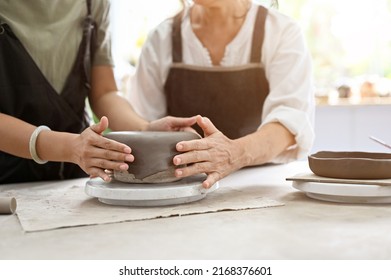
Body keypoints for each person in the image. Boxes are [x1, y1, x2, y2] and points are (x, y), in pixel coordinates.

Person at [0, 0, 197, 184]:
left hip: (72, 176)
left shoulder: (92, 3)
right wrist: (70, 147)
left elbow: (104, 92)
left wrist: (145, 131)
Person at [128, 0, 315, 188]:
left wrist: (233, 153)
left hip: (261, 184)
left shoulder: (281, 31)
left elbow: (289, 123)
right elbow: (145, 126)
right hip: (183, 185)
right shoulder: (162, 37)